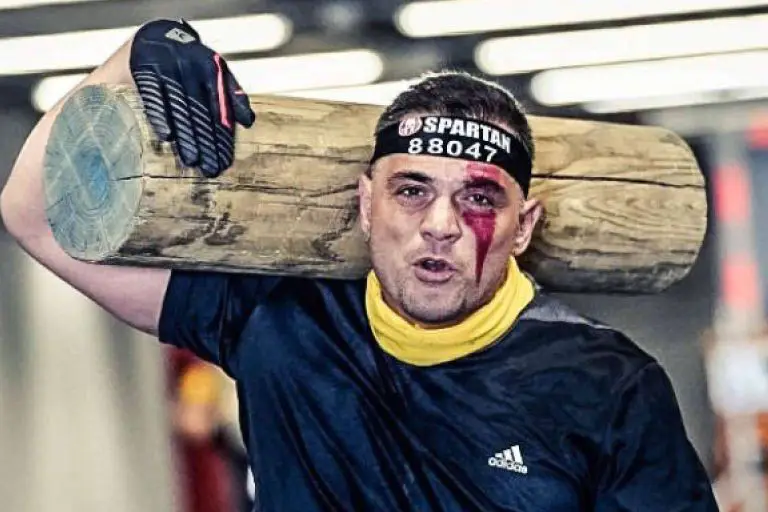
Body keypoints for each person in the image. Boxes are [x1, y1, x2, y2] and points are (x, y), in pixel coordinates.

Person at [1, 18, 718, 511]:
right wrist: (133, 54)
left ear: (522, 225)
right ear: (367, 204)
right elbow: (30, 212)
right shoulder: (279, 323)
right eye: (412, 191)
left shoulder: (608, 384)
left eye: (477, 198)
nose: (440, 226)